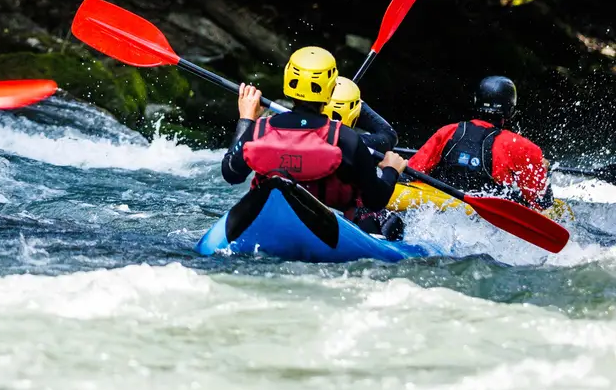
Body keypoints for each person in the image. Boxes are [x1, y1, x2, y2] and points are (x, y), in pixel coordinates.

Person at [222, 46, 408, 220]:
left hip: (268, 217)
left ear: (288, 81)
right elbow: (375, 201)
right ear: (332, 88)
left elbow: (231, 174)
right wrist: (391, 170)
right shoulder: (346, 138)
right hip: (325, 224)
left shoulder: (260, 129)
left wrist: (246, 119)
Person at [407, 75, 552, 210]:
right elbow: (540, 201)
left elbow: (413, 172)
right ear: (510, 110)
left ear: (476, 101)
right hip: (483, 221)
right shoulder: (521, 146)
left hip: (439, 209)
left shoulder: (448, 132)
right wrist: (545, 172)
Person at [322, 75, 405, 239]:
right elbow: (388, 134)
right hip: (356, 220)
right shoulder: (361, 143)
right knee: (393, 221)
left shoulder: (297, 134)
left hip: (320, 208)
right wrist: (359, 104)